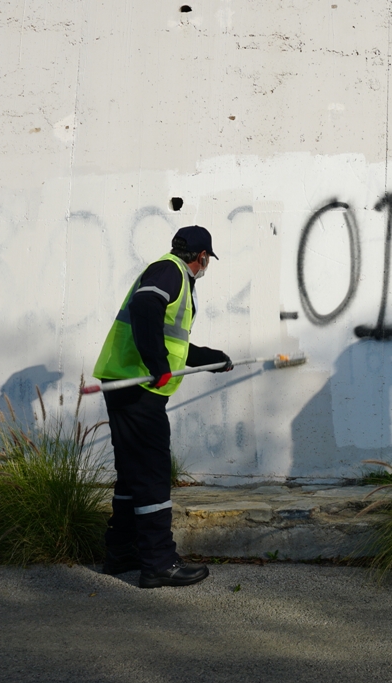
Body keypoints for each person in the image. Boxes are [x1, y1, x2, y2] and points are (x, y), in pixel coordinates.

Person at [93, 225, 234, 588]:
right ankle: (158, 562)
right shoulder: (170, 270)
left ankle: (122, 551)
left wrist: (212, 358)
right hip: (139, 389)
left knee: (132, 473)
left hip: (125, 383)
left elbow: (173, 342)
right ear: (202, 257)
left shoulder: (169, 275)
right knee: (154, 473)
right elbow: (145, 308)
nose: (206, 266)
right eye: (207, 261)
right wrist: (156, 364)